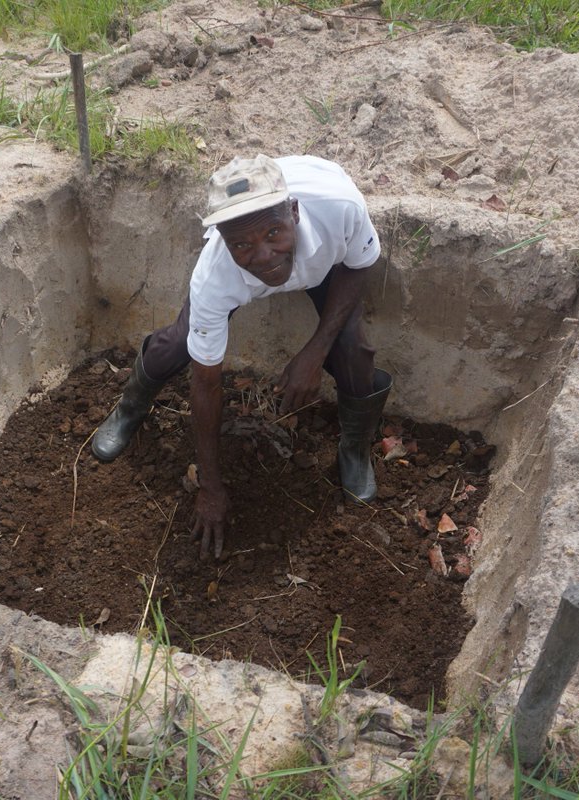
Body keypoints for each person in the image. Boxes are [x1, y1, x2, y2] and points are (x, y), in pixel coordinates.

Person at [91, 154, 391, 559]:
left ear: (294, 212)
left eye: (273, 232)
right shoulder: (216, 275)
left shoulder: (339, 208)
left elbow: (358, 264)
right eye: (242, 244)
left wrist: (315, 352)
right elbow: (206, 383)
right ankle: (131, 406)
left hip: (326, 266)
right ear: (223, 240)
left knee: (354, 350)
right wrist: (211, 487)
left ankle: (354, 447)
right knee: (177, 345)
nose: (263, 255)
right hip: (242, 273)